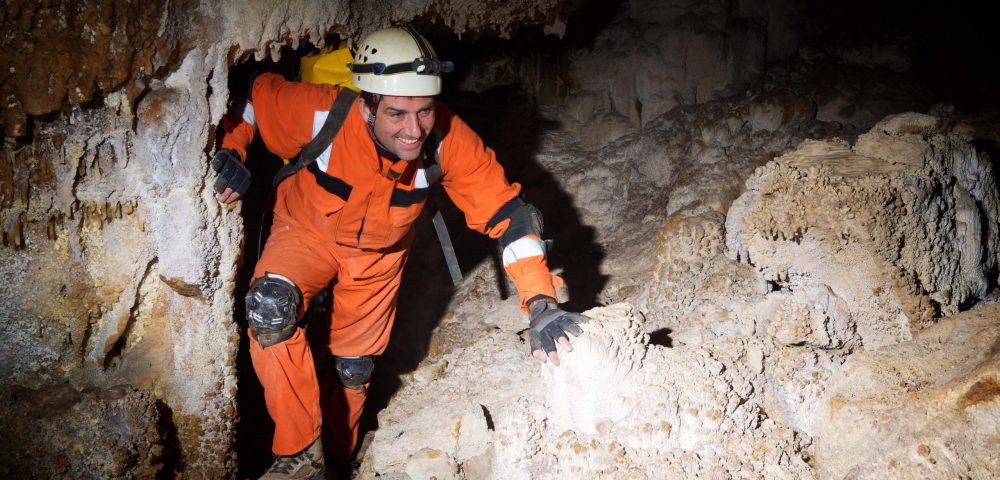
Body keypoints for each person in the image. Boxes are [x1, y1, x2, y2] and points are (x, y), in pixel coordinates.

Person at [212, 26, 589, 480]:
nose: (414, 131)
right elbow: (252, 98)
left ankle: (336, 457)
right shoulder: (322, 113)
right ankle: (300, 456)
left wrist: (541, 303)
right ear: (367, 104)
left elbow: (510, 215)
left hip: (378, 260)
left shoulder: (446, 140)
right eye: (396, 113)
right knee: (269, 308)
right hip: (305, 233)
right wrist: (232, 147)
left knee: (353, 368)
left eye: (425, 111)